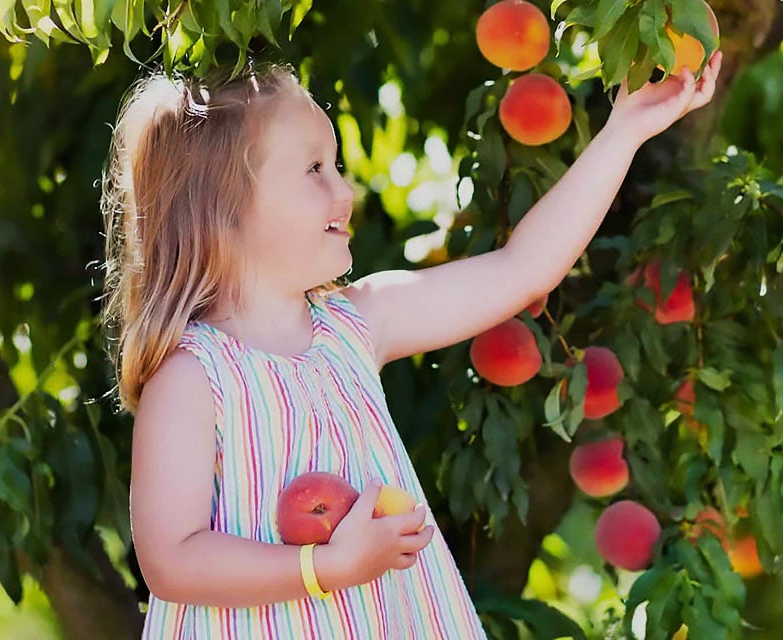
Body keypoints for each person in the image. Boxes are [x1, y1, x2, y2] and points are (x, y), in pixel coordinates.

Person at [100, 51, 721, 638]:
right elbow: (171, 561)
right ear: (223, 208)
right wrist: (323, 570)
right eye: (315, 169)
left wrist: (625, 130)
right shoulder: (192, 378)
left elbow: (523, 269)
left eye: (336, 165)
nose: (345, 192)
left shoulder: (356, 325)